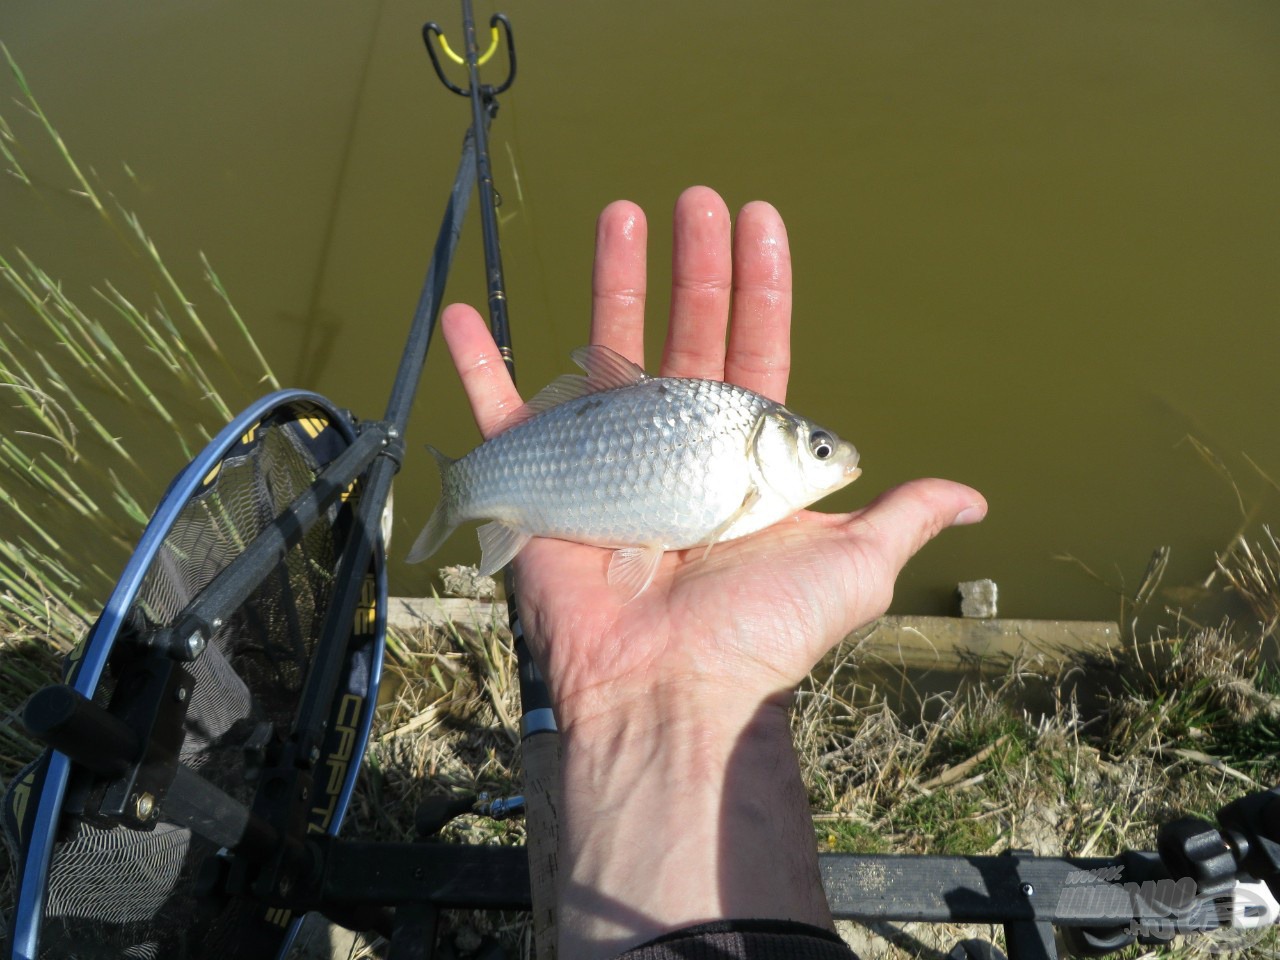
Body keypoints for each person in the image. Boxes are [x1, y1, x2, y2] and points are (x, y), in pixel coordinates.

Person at [438, 186, 987, 959]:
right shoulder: (736, 431)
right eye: (821, 450)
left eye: (821, 448)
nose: (837, 462)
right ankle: (462, 487)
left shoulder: (743, 441)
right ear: (777, 442)